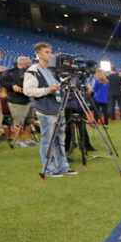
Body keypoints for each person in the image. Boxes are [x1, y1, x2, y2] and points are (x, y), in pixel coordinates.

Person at [23, 42, 77, 178]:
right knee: (48, 140)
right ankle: (49, 168)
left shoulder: (52, 71)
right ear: (38, 54)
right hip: (45, 110)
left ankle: (63, 166)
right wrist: (48, 89)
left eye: (50, 52)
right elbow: (28, 91)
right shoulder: (32, 70)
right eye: (47, 52)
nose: (50, 54)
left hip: (58, 108)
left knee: (60, 140)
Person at [0, 56, 34, 146]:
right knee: (18, 121)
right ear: (22, 62)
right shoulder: (9, 72)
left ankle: (28, 139)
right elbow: (2, 82)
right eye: (28, 62)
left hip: (29, 99)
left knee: (28, 121)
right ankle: (18, 140)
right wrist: (12, 85)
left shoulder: (30, 72)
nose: (30, 64)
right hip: (16, 101)